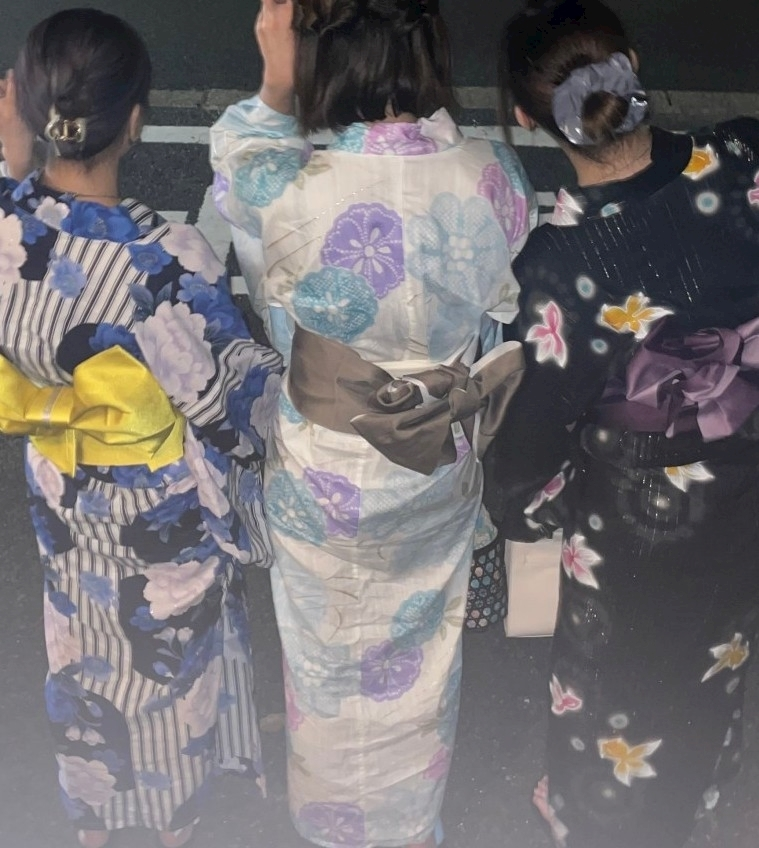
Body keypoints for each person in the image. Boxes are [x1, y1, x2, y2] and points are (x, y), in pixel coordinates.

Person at [210, 0, 536, 845]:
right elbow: (494, 304)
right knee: (422, 649)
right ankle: (409, 823)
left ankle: (332, 823)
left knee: (325, 658)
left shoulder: (283, 182)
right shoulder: (493, 173)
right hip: (436, 461)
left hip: (327, 469)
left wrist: (276, 81)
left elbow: (237, 151)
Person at [0, 9, 283, 848]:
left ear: (29, 110)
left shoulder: (9, 225)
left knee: (82, 648)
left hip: (63, 488)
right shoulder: (161, 261)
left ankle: (94, 818)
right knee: (168, 672)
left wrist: (15, 160)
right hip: (156, 513)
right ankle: (169, 822)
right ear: (134, 122)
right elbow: (228, 405)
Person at [486, 1, 759, 847]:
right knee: (717, 649)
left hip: (635, 512)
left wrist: (519, 504)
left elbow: (533, 431)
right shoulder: (742, 155)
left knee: (616, 674)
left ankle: (601, 817)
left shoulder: (561, 261)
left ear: (523, 117)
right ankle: (699, 795)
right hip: (744, 480)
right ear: (632, 67)